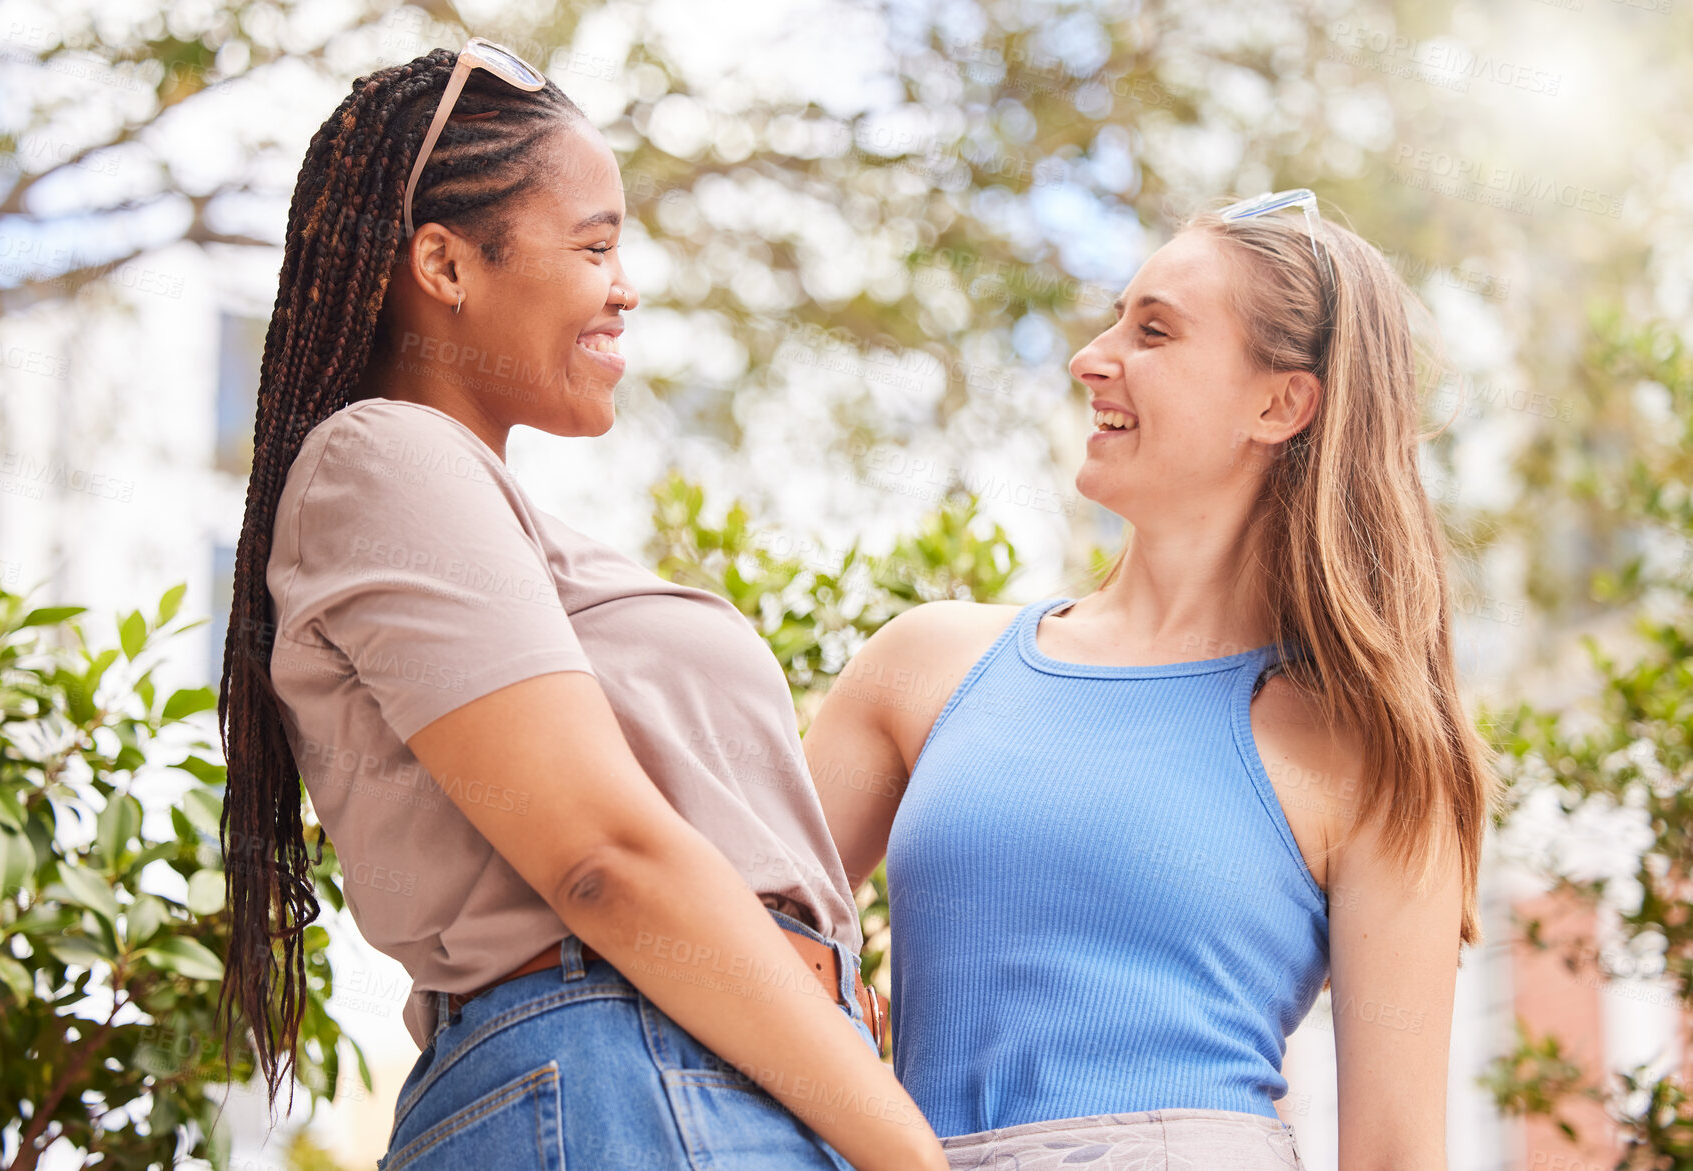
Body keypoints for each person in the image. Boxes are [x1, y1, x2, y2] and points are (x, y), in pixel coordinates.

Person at [216, 41, 946, 1171]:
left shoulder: (481, 512)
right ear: (445, 266)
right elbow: (603, 858)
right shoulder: (383, 456)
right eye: (594, 245)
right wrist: (911, 1153)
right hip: (625, 1079)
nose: (626, 285)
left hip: (676, 1084)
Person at [803, 193, 1496, 1169]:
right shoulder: (921, 667)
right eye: (1113, 318)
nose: (1090, 357)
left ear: (1279, 404)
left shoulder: (1368, 752)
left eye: (1154, 330)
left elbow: (1392, 1154)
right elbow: (729, 942)